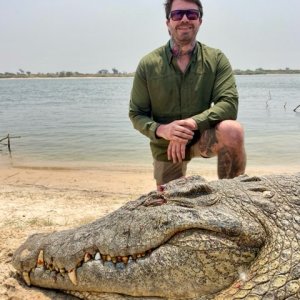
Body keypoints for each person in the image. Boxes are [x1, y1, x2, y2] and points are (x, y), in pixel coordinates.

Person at [129, 0, 246, 191]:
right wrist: (163, 130)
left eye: (191, 14)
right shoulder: (148, 64)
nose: (184, 19)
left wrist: (191, 124)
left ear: (200, 20)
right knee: (169, 203)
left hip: (202, 136)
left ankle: (232, 196)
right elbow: (136, 113)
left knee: (232, 130)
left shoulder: (216, 59)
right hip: (166, 146)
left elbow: (229, 104)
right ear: (168, 22)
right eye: (177, 15)